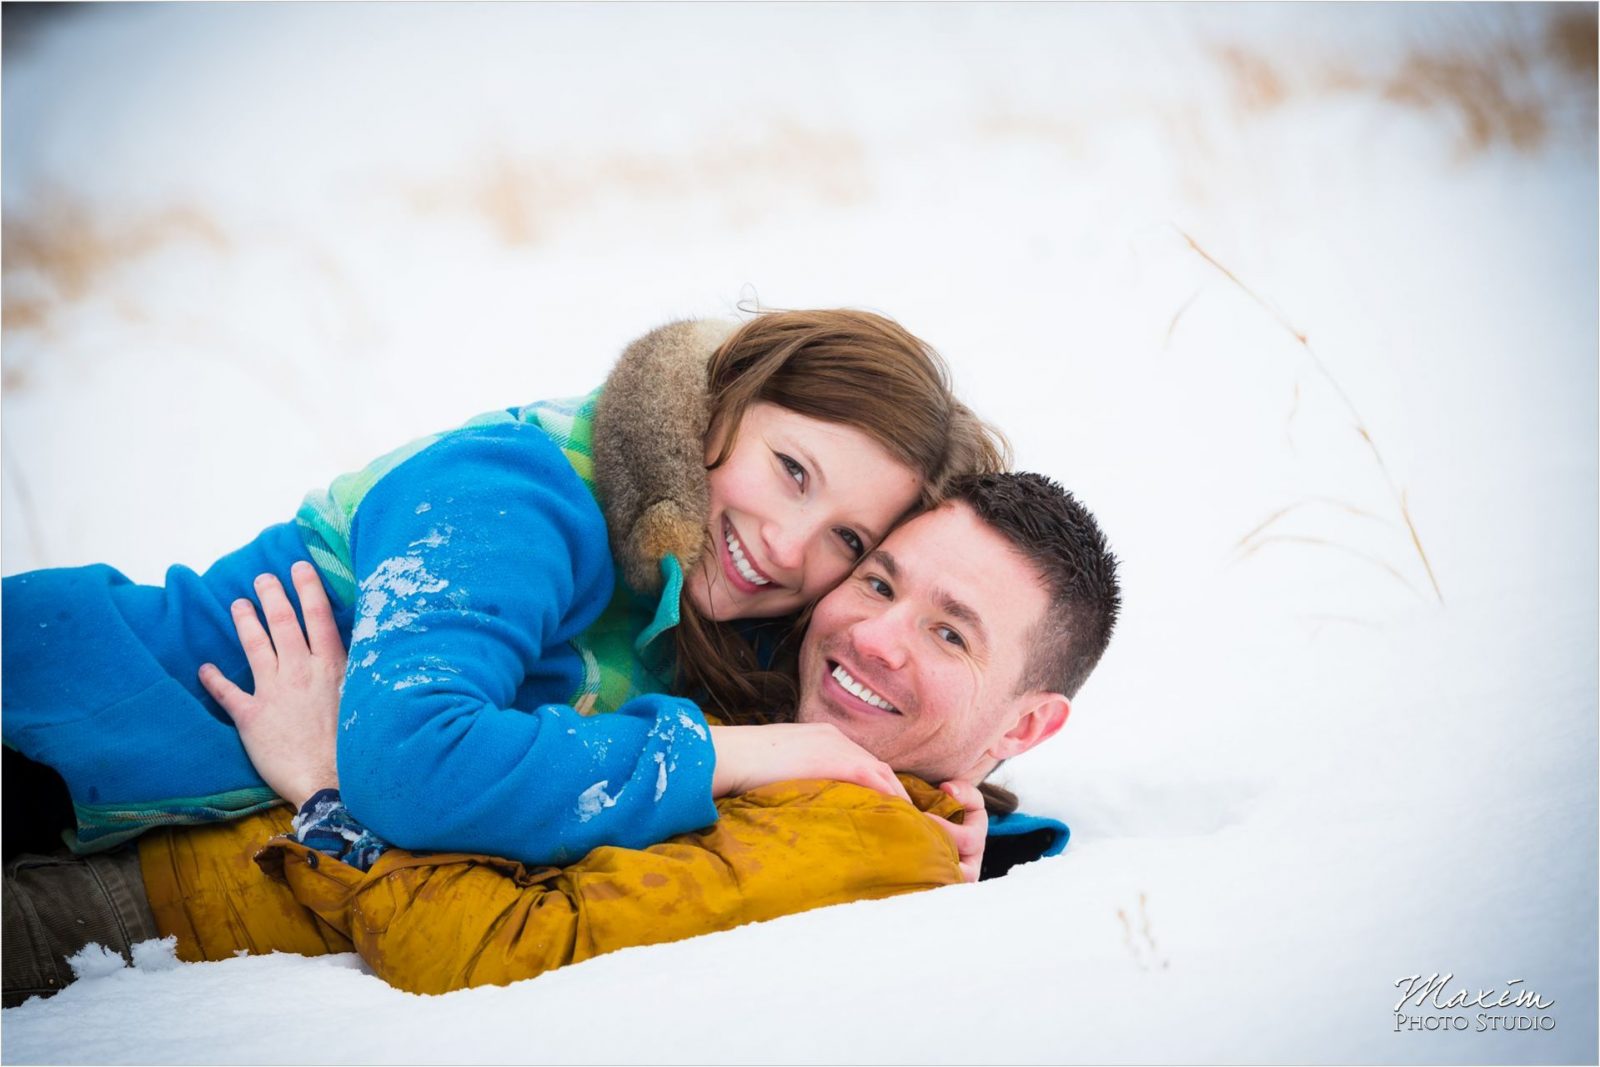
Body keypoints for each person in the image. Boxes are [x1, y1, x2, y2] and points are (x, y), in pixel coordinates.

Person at [2, 472, 1120, 1002]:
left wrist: (325, 786)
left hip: (142, 915)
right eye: (876, 578)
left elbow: (495, 951)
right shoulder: (835, 767)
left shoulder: (860, 832)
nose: (868, 634)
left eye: (948, 631)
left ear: (1028, 721)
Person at [2, 310, 1006, 868]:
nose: (785, 547)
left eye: (845, 537)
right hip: (46, 713)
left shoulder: (692, 602)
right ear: (724, 407)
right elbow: (412, 764)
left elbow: (803, 743)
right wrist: (747, 750)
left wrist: (952, 808)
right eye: (790, 467)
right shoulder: (511, 493)